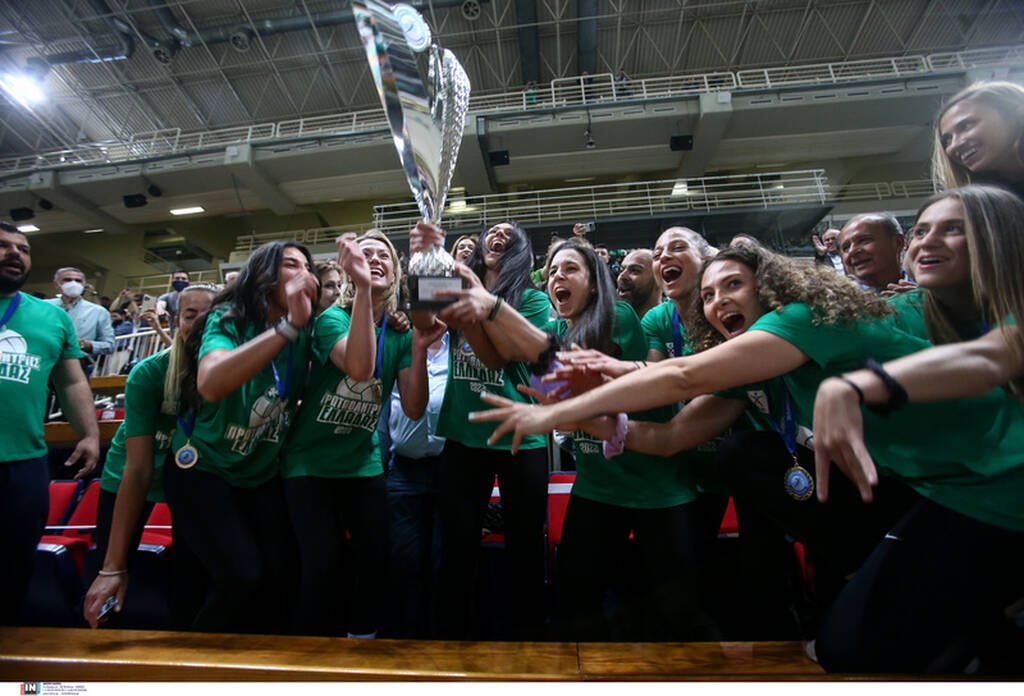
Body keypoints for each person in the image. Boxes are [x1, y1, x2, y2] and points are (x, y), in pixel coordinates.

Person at [473, 237, 1024, 672]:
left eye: (733, 285)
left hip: (991, 484)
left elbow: (682, 374)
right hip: (930, 491)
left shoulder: (802, 319)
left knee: (852, 637)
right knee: (748, 459)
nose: (718, 302)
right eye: (709, 295)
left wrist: (548, 414)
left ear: (769, 288)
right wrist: (588, 406)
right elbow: (668, 436)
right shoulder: (746, 374)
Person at [811, 184, 1024, 673]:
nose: (927, 243)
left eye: (953, 229)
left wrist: (858, 385)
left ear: (1000, 238)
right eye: (923, 231)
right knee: (844, 648)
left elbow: (993, 356)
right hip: (966, 497)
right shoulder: (908, 309)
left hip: (1007, 501)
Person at [482, 237, 713, 641]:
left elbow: (568, 378)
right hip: (597, 488)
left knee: (675, 618)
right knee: (574, 607)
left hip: (658, 488)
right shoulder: (552, 328)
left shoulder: (618, 316)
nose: (558, 277)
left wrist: (492, 308)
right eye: (552, 271)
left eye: (570, 269)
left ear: (593, 284)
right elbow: (547, 378)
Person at [282, 231, 443, 638]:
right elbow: (359, 367)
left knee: (375, 560)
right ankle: (306, 659)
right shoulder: (330, 320)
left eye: (383, 255)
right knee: (323, 564)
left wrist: (420, 347)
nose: (374, 259)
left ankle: (361, 647)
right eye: (364, 253)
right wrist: (365, 293)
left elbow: (413, 407)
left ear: (396, 269)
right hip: (309, 464)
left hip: (363, 463)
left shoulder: (402, 332)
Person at [164, 240, 318, 634]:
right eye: (290, 264)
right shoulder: (227, 320)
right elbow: (212, 383)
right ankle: (192, 672)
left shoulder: (309, 328)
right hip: (204, 469)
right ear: (264, 274)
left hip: (259, 472)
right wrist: (286, 329)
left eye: (307, 266)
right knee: (240, 576)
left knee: (283, 576)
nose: (303, 272)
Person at [409, 219, 551, 641]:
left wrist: (473, 314)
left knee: (525, 549)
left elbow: (502, 355)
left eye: (511, 234)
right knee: (456, 549)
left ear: (520, 251)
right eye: (494, 230)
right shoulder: (454, 284)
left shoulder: (533, 300)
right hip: (463, 435)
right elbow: (420, 319)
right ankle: (451, 646)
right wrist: (421, 262)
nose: (499, 235)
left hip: (522, 436)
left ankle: (525, 645)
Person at [82, 283, 219, 629]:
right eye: (191, 315)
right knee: (110, 567)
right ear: (174, 322)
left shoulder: (227, 374)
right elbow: (138, 469)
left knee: (191, 575)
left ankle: (182, 657)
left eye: (212, 314)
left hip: (188, 479)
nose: (201, 322)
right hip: (130, 474)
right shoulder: (149, 373)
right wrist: (113, 566)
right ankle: (97, 646)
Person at [0, 222, 99, 625]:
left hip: (23, 464)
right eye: (3, 246)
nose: (15, 253)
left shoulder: (50, 317)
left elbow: (72, 380)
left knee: (13, 568)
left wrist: (90, 434)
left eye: (22, 248)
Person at [381, 329, 449, 639]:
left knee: (444, 567)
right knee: (404, 565)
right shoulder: (398, 339)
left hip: (451, 469)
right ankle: (407, 653)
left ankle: (444, 651)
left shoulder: (461, 344)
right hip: (404, 472)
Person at [933, 80, 1024, 198]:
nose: (954, 145)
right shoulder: (979, 206)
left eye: (966, 126)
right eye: (948, 140)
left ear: (1016, 117)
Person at [47, 266, 115, 375]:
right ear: (57, 284)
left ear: (83, 285)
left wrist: (85, 344)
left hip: (78, 366)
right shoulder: (43, 306)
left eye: (78, 281)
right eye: (67, 280)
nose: (73, 283)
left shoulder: (99, 312)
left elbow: (109, 345)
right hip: (44, 362)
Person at [838, 213, 912, 294]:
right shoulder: (835, 302)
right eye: (846, 247)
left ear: (898, 243)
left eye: (864, 241)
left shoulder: (924, 289)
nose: (852, 251)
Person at [616, 248, 661, 318]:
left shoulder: (675, 324)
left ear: (659, 279)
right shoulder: (608, 323)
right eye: (621, 270)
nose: (622, 276)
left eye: (635, 271)